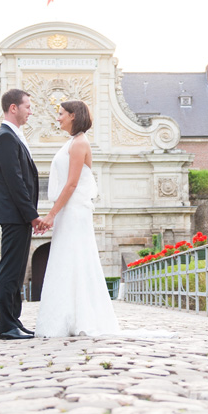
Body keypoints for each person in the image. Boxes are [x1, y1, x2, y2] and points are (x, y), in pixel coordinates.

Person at [34, 100, 122, 337]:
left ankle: (79, 318)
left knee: (73, 259)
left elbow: (72, 183)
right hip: (68, 212)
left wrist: (51, 215)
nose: (57, 117)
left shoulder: (79, 143)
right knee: (66, 261)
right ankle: (68, 316)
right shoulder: (73, 142)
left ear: (73, 115)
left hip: (73, 212)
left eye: (61, 114)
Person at [0, 89, 45, 340]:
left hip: (17, 215)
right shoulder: (5, 138)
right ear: (14, 108)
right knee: (10, 271)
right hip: (13, 214)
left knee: (17, 270)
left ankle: (14, 320)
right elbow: (16, 182)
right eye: (28, 107)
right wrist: (32, 215)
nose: (31, 111)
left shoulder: (13, 136)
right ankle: (6, 326)